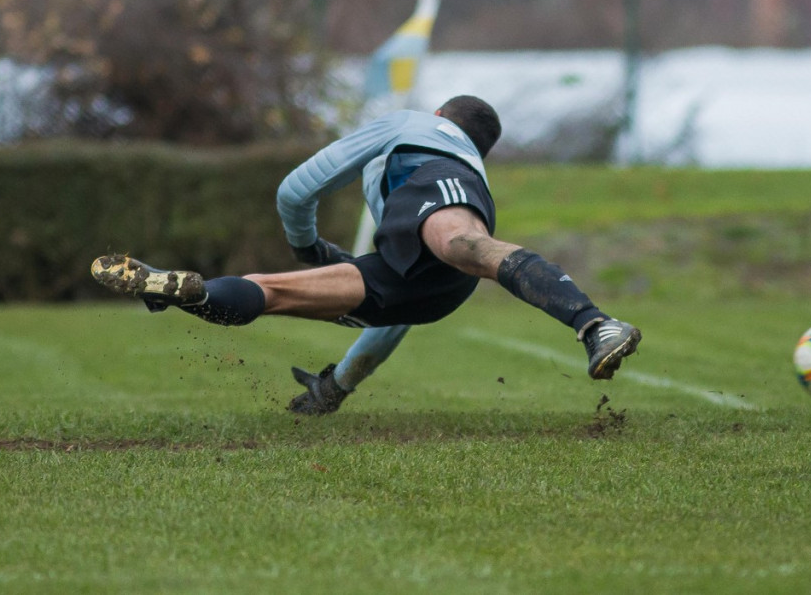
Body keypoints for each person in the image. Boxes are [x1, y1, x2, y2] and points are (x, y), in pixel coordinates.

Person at [91, 95, 642, 415]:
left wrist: (306, 244)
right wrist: (340, 384)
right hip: (436, 296)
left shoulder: (416, 130)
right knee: (269, 291)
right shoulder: (469, 175)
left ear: (439, 116)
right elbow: (403, 304)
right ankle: (187, 290)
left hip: (433, 238)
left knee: (462, 243)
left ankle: (596, 323)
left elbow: (294, 191)